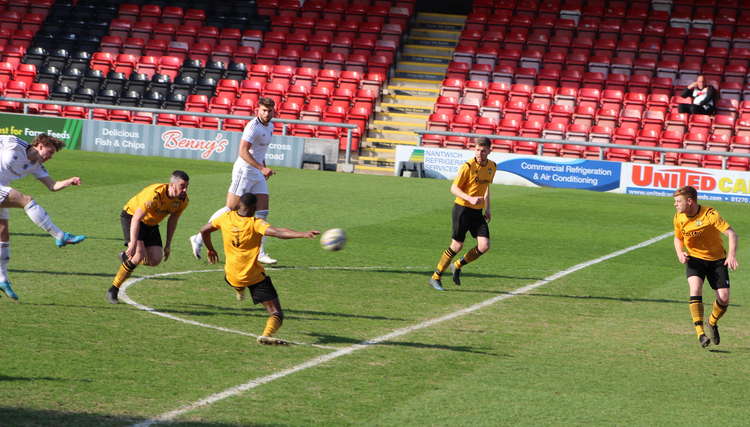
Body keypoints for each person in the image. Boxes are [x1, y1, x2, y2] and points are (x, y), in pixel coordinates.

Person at [199, 192, 319, 345]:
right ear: (253, 208)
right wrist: (303, 234)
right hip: (253, 276)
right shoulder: (255, 223)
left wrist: (210, 249)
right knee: (276, 313)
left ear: (240, 205)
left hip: (231, 274)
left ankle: (239, 289)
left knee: (235, 280)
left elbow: (204, 230)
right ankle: (266, 334)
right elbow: (278, 232)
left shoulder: (225, 218)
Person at [189, 97, 278, 264]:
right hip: (244, 171)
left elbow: (259, 151)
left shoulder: (271, 126)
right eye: (264, 110)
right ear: (257, 110)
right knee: (231, 208)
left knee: (263, 210)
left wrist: (264, 167)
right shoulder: (252, 127)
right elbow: (243, 152)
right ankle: (199, 237)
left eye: (270, 110)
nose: (267, 113)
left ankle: (259, 252)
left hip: (257, 172)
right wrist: (261, 168)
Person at [0, 134, 85, 302]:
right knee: (26, 200)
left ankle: (2, 279)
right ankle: (60, 236)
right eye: (50, 151)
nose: (50, 157)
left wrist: (69, 181)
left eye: (53, 154)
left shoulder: (37, 166)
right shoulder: (13, 143)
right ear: (39, 145)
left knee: (3, 233)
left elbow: (52, 186)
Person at [106, 170, 189, 304]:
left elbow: (172, 221)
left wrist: (168, 244)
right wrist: (132, 244)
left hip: (151, 223)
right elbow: (136, 219)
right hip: (132, 217)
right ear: (172, 185)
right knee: (138, 255)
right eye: (182, 186)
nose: (185, 189)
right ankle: (113, 289)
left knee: (156, 259)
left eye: (187, 186)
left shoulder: (182, 201)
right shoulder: (154, 194)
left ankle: (126, 257)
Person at [673, 185, 738, 348]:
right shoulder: (679, 217)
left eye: (678, 201)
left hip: (717, 261)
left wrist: (731, 255)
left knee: (723, 298)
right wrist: (680, 252)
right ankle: (700, 334)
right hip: (695, 259)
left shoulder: (710, 214)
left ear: (689, 201)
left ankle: (712, 322)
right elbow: (677, 238)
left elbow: (731, 233)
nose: (675, 204)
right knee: (695, 289)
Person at [429, 137, 496, 291]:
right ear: (475, 149)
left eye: (484, 150)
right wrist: (470, 199)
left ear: (489, 151)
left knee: (484, 246)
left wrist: (488, 208)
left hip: (477, 212)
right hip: (462, 210)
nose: (480, 153)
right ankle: (436, 276)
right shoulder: (467, 166)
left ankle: (458, 265)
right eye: (478, 150)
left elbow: (486, 187)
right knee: (457, 245)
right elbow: (454, 189)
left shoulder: (492, 166)